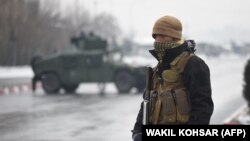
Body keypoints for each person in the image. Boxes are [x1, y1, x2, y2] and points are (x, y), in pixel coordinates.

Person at [131, 15, 214, 140]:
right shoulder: (157, 68)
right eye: (156, 36)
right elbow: (146, 103)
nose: (158, 40)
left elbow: (203, 107)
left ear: (175, 37)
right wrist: (137, 131)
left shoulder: (193, 64)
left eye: (163, 36)